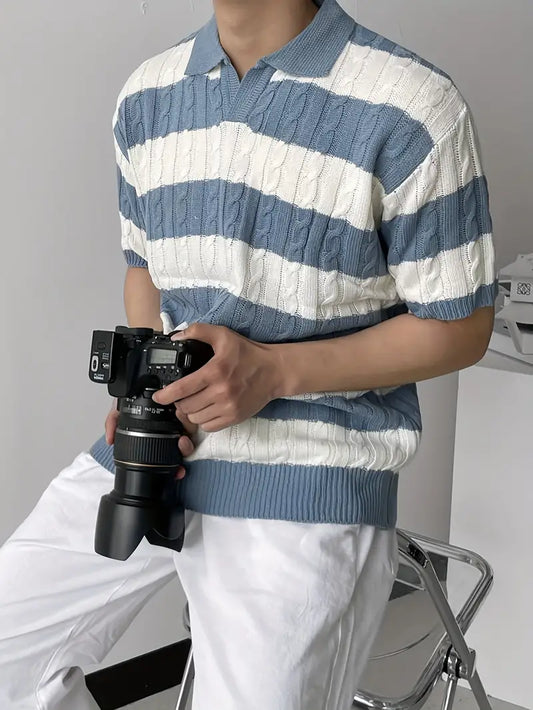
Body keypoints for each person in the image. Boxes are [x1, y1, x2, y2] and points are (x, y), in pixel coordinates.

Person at [0, 0, 497, 708]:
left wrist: (276, 371)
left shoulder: (414, 105)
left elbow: (461, 324)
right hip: (155, 457)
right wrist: (146, 394)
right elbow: (145, 270)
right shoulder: (147, 94)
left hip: (305, 481)